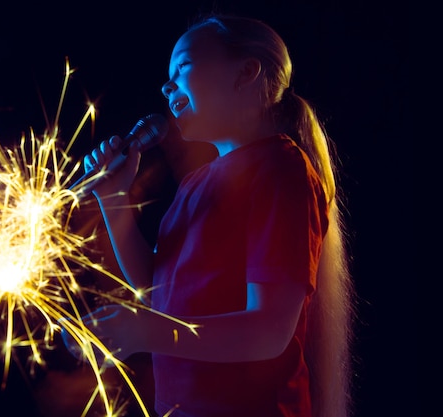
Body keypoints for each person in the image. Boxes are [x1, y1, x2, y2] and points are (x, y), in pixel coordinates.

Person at [72, 14, 355, 417]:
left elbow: (269, 331)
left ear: (247, 72)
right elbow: (157, 295)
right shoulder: (195, 183)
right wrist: (113, 199)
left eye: (183, 66)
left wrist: (146, 331)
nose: (166, 85)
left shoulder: (281, 169)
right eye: (166, 76)